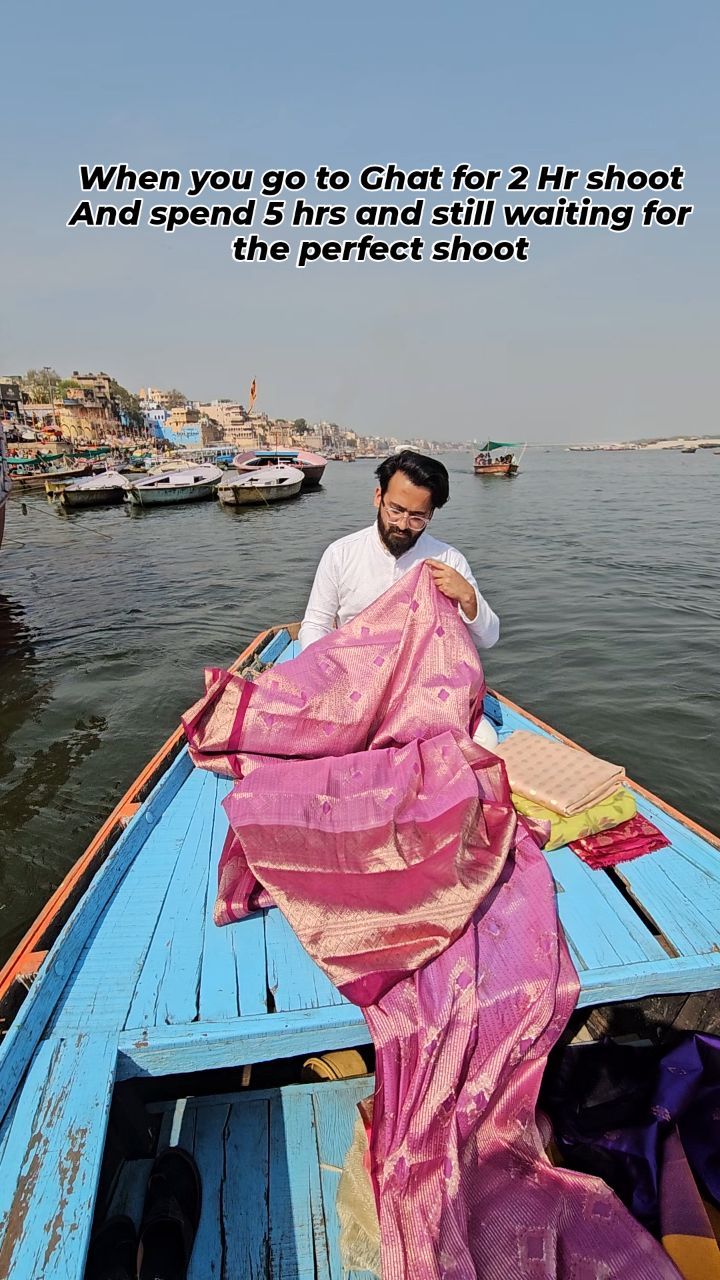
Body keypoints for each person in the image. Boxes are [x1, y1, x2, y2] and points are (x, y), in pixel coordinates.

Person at [298, 450, 499, 651]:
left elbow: (488, 639)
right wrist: (323, 671)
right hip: (354, 673)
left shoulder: (448, 560)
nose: (402, 525)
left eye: (417, 517)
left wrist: (468, 597)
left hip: (422, 677)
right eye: (395, 510)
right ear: (378, 497)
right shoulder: (340, 555)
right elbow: (316, 625)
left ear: (431, 514)